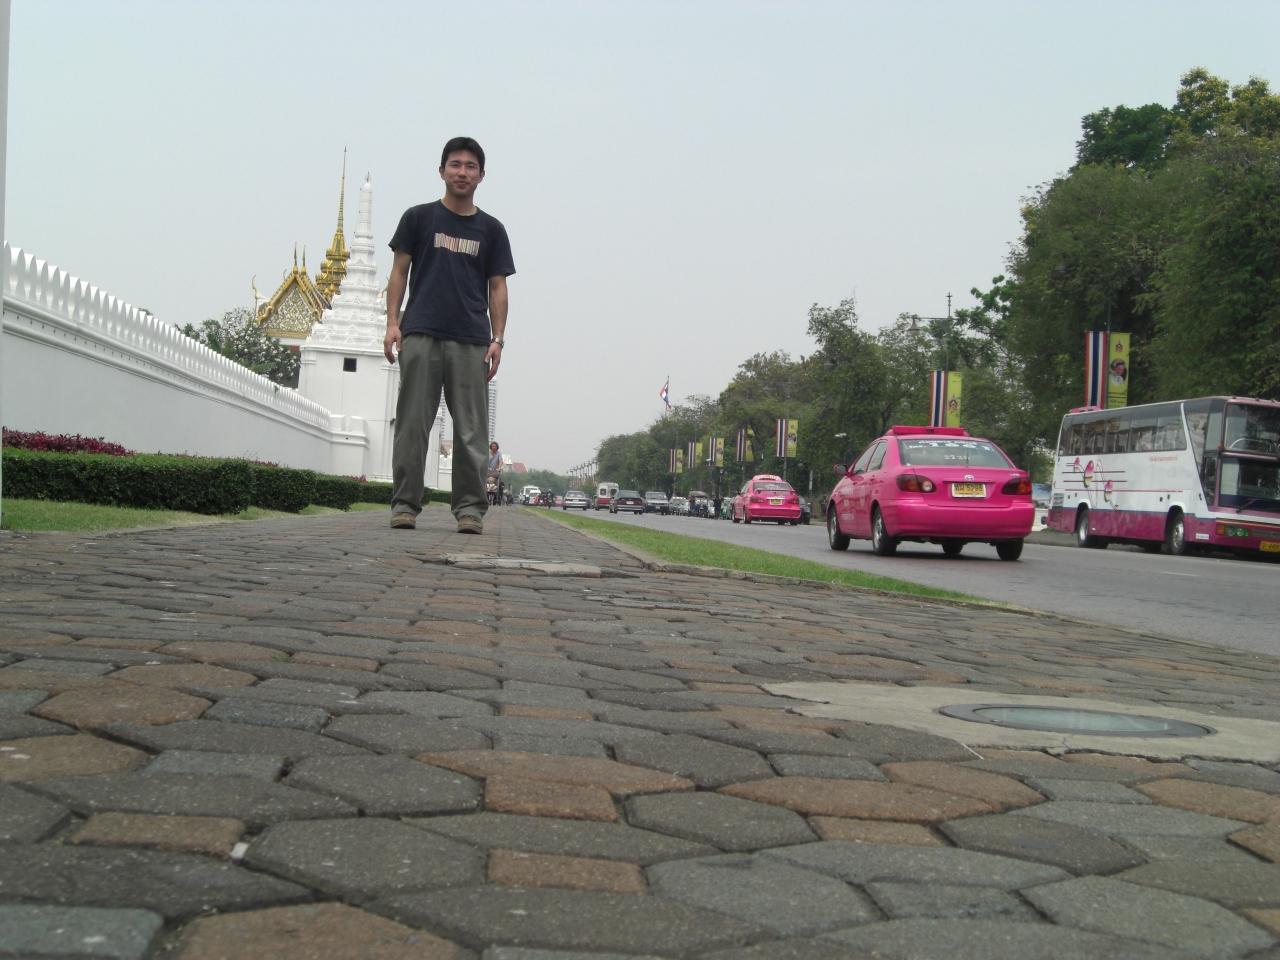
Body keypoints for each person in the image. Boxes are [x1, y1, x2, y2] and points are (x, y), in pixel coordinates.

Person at [384, 137, 515, 533]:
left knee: (472, 431)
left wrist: (498, 339)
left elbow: (498, 287)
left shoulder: (492, 230)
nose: (462, 172)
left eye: (471, 166)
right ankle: (405, 505)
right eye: (455, 164)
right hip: (420, 332)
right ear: (441, 171)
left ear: (482, 175)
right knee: (412, 425)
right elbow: (399, 272)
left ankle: (470, 510)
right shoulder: (418, 218)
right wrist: (392, 323)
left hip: (471, 339)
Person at [486, 441, 503, 507]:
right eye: (492, 446)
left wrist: (499, 468)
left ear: (497, 447)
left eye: (495, 446)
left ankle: (498, 495)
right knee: (484, 479)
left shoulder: (499, 454)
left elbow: (500, 461)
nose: (494, 447)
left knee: (499, 482)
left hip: (496, 471)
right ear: (491, 447)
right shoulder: (488, 453)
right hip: (488, 470)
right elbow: (485, 460)